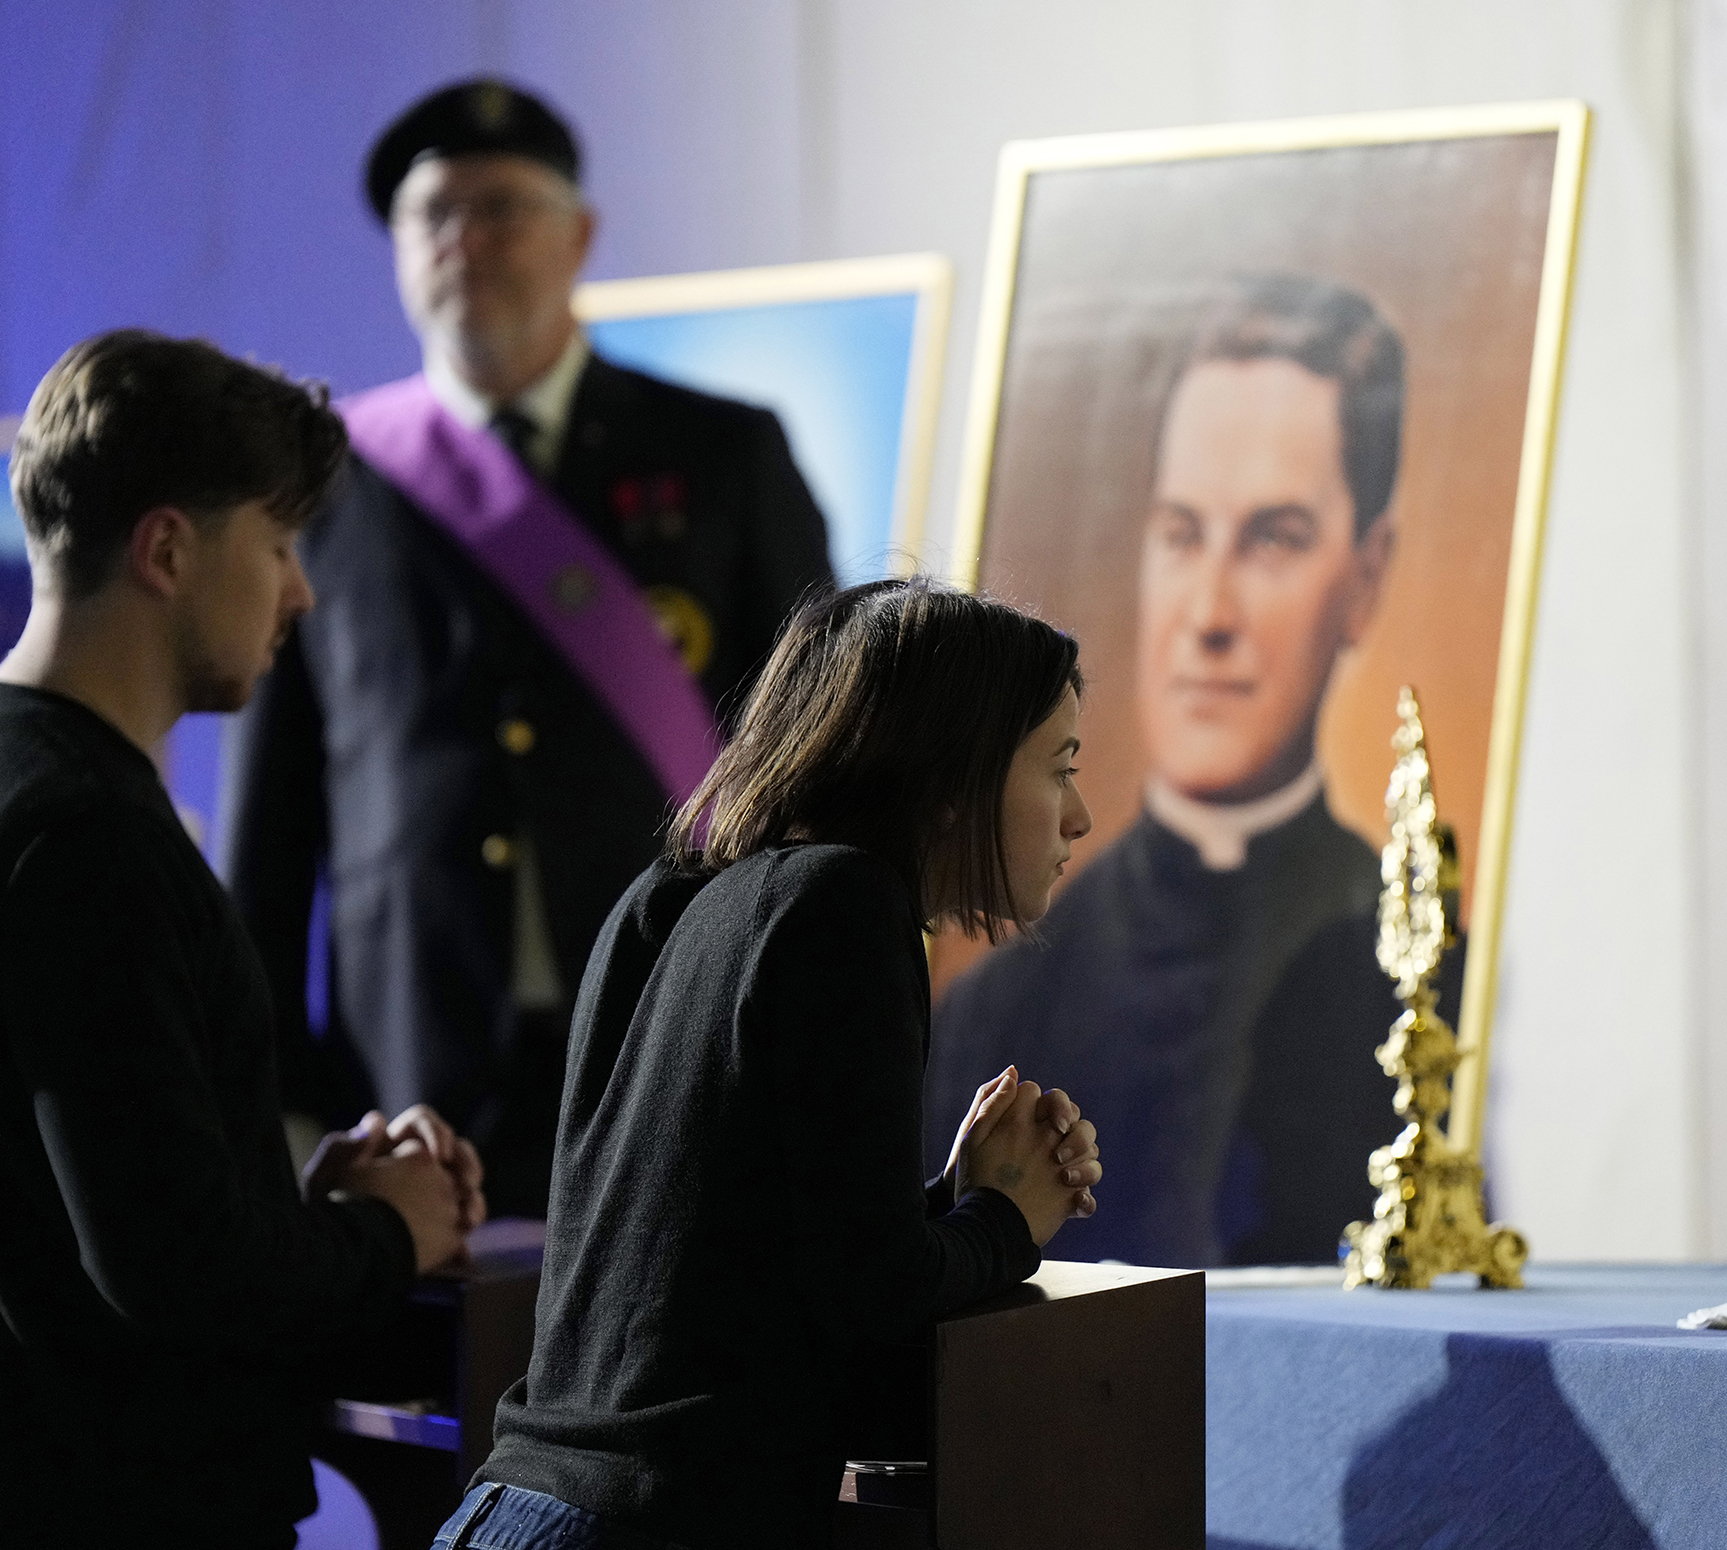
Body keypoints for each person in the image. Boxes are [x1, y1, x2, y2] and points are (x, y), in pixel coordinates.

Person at [219, 79, 833, 1217]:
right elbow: (271, 818)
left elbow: (818, 758)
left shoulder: (722, 454)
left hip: (675, 1022)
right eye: (433, 214)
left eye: (500, 205)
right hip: (406, 1065)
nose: (465, 239)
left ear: (580, 233)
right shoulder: (323, 480)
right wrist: (280, 1086)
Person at [432, 579, 1104, 1549]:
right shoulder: (850, 902)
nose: (1077, 814)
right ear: (953, 775)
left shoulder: (669, 898)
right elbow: (871, 1298)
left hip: (510, 1510)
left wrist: (950, 1200)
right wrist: (1006, 1220)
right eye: (1060, 766)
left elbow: (719, 1255)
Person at [0, 330, 485, 1548]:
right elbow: (175, 1277)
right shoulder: (88, 835)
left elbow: (87, 1197)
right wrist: (393, 1230)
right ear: (167, 548)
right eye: (276, 544)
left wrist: (295, 1204)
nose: (301, 592)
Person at [927, 274, 1461, 1268]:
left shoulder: (1418, 962)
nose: (1207, 613)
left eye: (1272, 538)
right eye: (1181, 534)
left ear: (1366, 575)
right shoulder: (993, 1009)